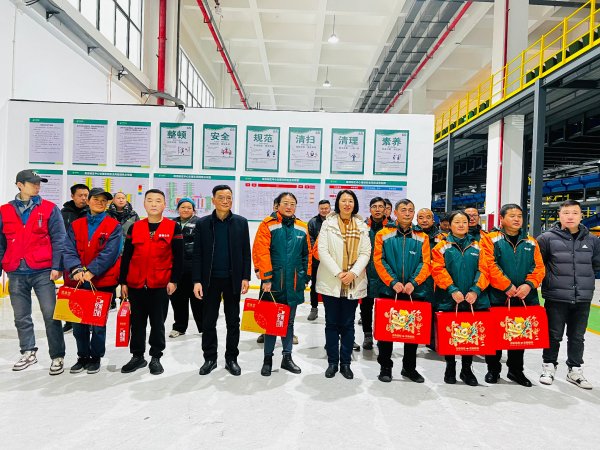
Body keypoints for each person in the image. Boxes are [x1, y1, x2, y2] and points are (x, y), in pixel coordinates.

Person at [0, 169, 66, 375]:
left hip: (43, 271)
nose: (37, 186)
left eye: (39, 183)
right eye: (32, 183)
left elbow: (59, 238)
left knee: (51, 315)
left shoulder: (49, 209)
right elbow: (0, 242)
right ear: (20, 185)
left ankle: (57, 356)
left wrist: (57, 266)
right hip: (15, 271)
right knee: (21, 316)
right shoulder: (4, 210)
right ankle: (28, 352)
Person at [119, 189, 184, 375]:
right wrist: (123, 282)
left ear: (164, 205)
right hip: (136, 284)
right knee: (137, 323)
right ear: (144, 204)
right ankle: (137, 356)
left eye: (158, 201)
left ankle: (156, 357)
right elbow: (126, 257)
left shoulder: (173, 227)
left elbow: (179, 258)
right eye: (149, 200)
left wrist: (174, 280)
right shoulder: (135, 227)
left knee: (157, 323)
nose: (153, 204)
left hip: (160, 284)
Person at [537, 199, 600, 389]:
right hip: (556, 296)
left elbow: (596, 266)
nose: (570, 216)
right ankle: (548, 367)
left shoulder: (593, 240)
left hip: (582, 297)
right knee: (553, 335)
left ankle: (575, 370)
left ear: (581, 215)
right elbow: (539, 266)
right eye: (566, 213)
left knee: (577, 336)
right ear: (559, 215)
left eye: (575, 212)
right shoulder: (546, 239)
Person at [480, 204, 545, 387]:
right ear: (502, 219)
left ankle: (516, 370)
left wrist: (529, 285)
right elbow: (489, 265)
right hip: (498, 296)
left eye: (519, 216)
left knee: (519, 335)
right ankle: (493, 369)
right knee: (495, 335)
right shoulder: (490, 239)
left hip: (525, 296)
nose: (517, 219)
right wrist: (506, 285)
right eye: (512, 215)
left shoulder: (531, 242)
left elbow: (539, 267)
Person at [192, 186, 251, 376]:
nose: (225, 201)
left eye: (229, 197)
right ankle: (209, 358)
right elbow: (197, 254)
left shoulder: (241, 223)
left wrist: (245, 277)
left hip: (232, 280)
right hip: (209, 281)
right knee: (208, 321)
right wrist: (197, 280)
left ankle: (231, 359)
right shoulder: (203, 224)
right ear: (213, 200)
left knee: (233, 321)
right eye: (221, 197)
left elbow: (246, 252)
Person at [63, 188, 121, 374]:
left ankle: (95, 357)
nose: (100, 203)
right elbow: (68, 248)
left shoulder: (113, 225)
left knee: (97, 324)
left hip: (101, 281)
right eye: (96, 199)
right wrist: (76, 268)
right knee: (78, 322)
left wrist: (92, 271)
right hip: (78, 281)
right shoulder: (76, 224)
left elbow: (111, 253)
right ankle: (82, 356)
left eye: (104, 200)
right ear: (88, 201)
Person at [253, 192, 311, 376]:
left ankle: (287, 357)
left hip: (294, 281)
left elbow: (307, 254)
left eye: (292, 204)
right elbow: (261, 251)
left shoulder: (302, 227)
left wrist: (305, 276)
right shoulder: (268, 225)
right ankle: (267, 359)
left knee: (289, 322)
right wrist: (266, 278)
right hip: (274, 282)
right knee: (272, 323)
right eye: (285, 203)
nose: (289, 206)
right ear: (277, 205)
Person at [373, 198, 431, 383]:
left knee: (412, 332)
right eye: (403, 210)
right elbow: (379, 260)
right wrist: (393, 282)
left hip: (414, 292)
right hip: (389, 290)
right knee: (387, 332)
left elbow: (426, 263)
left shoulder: (422, 237)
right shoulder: (383, 234)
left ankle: (409, 368)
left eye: (410, 210)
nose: (407, 213)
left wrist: (414, 282)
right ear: (395, 213)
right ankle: (385, 367)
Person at [431, 211, 490, 386]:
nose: (461, 225)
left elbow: (484, 270)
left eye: (464, 221)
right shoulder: (441, 246)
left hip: (473, 299)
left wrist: (475, 290)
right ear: (450, 225)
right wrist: (452, 289)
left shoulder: (478, 246)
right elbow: (437, 269)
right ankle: (450, 367)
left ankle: (466, 369)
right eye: (457, 222)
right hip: (449, 298)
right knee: (450, 333)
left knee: (469, 334)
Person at [317, 190, 371, 379]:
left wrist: (353, 273)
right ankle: (332, 363)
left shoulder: (362, 226)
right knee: (331, 323)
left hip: (353, 282)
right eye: (343, 200)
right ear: (338, 203)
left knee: (348, 324)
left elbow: (366, 252)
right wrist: (339, 273)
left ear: (354, 204)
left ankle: (346, 363)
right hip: (331, 281)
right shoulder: (328, 224)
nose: (347, 204)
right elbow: (322, 251)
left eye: (350, 201)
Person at [169, 197, 202, 339]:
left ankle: (203, 328)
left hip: (194, 267)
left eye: (189, 207)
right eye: (183, 207)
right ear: (178, 209)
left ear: (194, 210)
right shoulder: (171, 223)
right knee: (178, 300)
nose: (186, 210)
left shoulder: (200, 223)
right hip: (176, 268)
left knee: (198, 300)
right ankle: (179, 327)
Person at [61, 183, 90, 332]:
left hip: (87, 258)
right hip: (69, 257)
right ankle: (69, 321)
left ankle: (87, 320)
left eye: (86, 195)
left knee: (86, 290)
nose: (83, 198)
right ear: (72, 196)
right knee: (69, 288)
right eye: (80, 195)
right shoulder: (64, 213)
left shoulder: (91, 213)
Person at [360, 197, 388, 350]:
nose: (377, 209)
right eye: (374, 206)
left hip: (385, 275)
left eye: (380, 206)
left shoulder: (391, 228)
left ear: (385, 209)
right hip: (366, 273)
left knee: (384, 307)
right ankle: (367, 335)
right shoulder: (363, 227)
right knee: (366, 306)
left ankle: (382, 335)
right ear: (370, 209)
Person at [307, 199, 331, 320]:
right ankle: (314, 308)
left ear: (330, 208)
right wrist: (319, 254)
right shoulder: (312, 222)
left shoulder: (334, 221)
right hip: (316, 261)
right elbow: (310, 240)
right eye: (322, 208)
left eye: (326, 208)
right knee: (314, 286)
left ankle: (330, 311)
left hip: (331, 262)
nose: (324, 210)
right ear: (318, 209)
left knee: (329, 286)